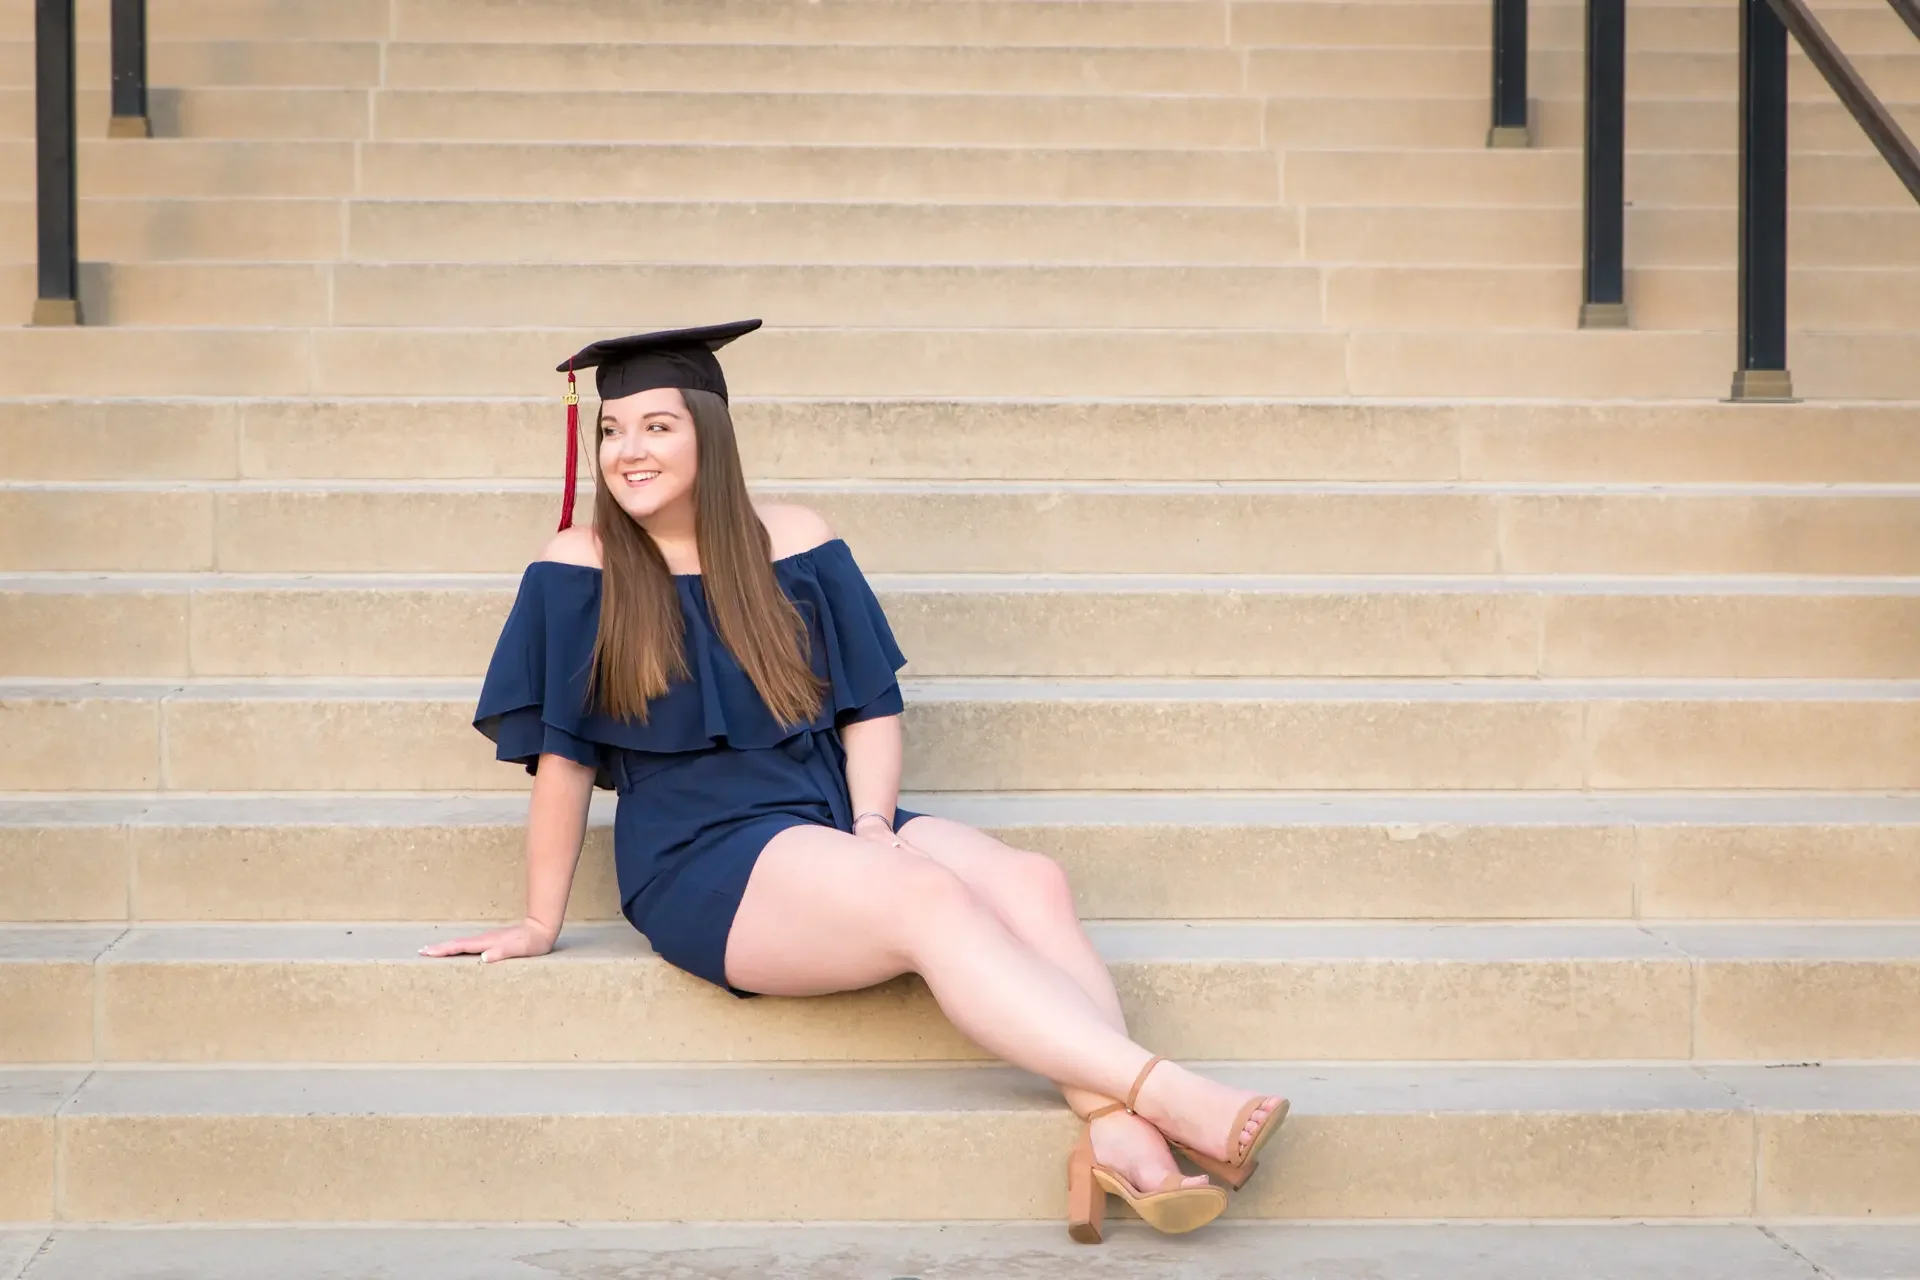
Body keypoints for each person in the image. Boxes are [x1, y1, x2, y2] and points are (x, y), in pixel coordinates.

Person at [421, 321, 1287, 1242]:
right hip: (704, 858)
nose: (628, 451)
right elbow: (565, 765)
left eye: (657, 426)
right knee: (928, 899)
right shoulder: (577, 568)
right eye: (611, 430)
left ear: (710, 434)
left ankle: (1116, 1135)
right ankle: (1170, 1096)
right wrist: (538, 920)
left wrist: (872, 821)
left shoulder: (794, 539)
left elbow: (871, 710)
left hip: (830, 816)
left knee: (1033, 880)